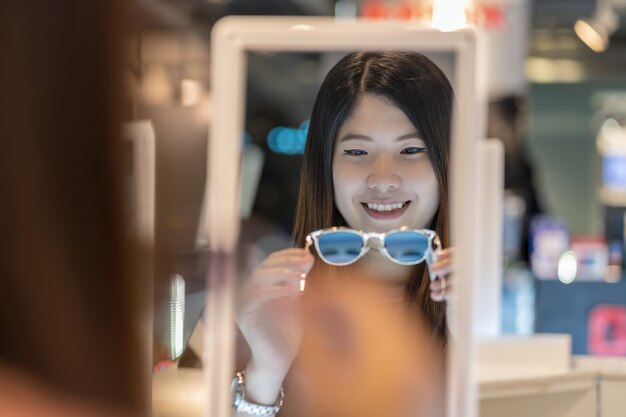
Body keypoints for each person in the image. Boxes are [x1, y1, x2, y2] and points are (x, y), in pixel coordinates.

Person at [235, 51, 455, 417]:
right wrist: (266, 374)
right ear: (326, 165)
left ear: (448, 163)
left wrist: (473, 345)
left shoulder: (491, 311)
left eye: (412, 149)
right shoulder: (266, 305)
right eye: (356, 151)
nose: (383, 178)